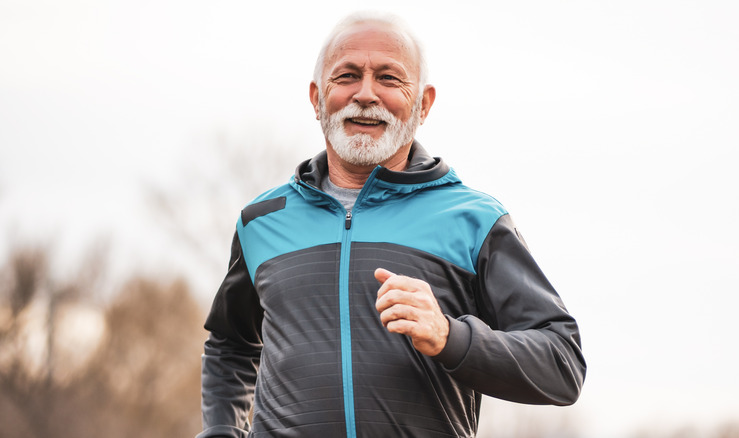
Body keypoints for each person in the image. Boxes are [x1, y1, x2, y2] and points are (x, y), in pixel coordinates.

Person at [198, 11, 586, 438]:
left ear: (423, 103)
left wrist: (449, 336)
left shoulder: (476, 220)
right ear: (316, 97)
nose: (365, 94)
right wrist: (221, 430)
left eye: (388, 78)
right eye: (346, 76)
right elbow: (230, 345)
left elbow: (562, 363)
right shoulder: (261, 221)